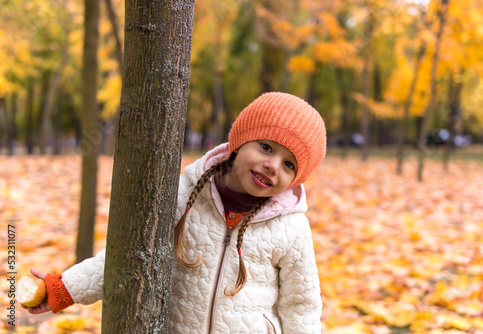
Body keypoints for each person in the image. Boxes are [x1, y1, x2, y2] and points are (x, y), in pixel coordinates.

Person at [23, 92, 326, 333]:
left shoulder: (291, 228)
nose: (273, 165)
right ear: (239, 142)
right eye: (266, 147)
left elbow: (301, 305)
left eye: (289, 165)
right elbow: (130, 256)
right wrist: (64, 289)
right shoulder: (184, 194)